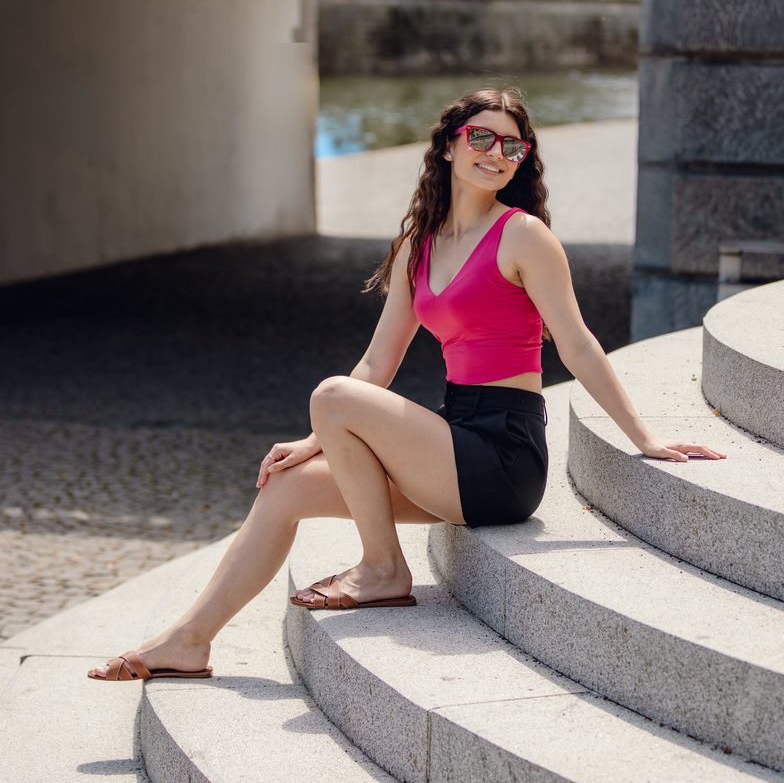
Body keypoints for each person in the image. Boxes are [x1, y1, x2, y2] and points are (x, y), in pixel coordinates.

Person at [87, 87, 725, 681]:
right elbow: (377, 363)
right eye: (481, 137)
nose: (495, 153)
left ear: (522, 158)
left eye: (512, 145)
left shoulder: (524, 236)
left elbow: (578, 343)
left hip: (504, 457)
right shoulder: (420, 244)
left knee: (332, 395)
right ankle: (190, 640)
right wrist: (311, 443)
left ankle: (383, 568)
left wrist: (644, 438)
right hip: (455, 441)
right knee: (286, 485)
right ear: (448, 145)